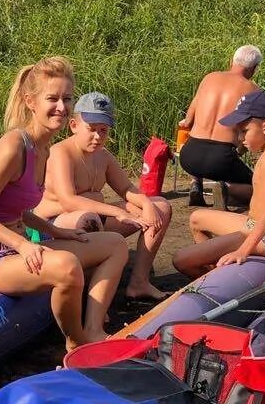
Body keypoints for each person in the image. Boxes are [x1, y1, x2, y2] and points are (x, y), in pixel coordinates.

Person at [0, 58, 129, 351]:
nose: (61, 107)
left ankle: (94, 328)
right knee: (67, 266)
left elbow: (18, 211)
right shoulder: (14, 146)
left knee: (115, 243)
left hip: (19, 245)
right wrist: (24, 245)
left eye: (67, 99)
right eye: (52, 98)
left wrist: (59, 233)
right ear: (30, 101)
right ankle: (76, 342)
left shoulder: (43, 149)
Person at [34, 92, 173, 301]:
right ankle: (88, 294)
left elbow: (126, 188)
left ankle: (139, 282)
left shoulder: (104, 157)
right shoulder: (60, 153)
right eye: (91, 129)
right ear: (73, 125)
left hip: (94, 221)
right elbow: (68, 200)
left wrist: (146, 204)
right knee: (88, 218)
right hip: (53, 227)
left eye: (103, 130)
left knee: (161, 206)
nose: (98, 136)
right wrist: (118, 212)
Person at [173, 89, 265, 278]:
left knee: (181, 260)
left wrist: (243, 250)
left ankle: (216, 279)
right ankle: (216, 272)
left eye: (244, 131)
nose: (240, 139)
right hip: (253, 225)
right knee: (197, 218)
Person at [178, 45, 262, 209]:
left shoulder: (209, 78)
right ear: (254, 69)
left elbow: (187, 122)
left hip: (189, 156)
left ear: (231, 61)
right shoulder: (253, 90)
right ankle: (226, 189)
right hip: (221, 159)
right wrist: (239, 150)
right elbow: (252, 135)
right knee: (260, 190)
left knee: (201, 149)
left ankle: (196, 183)